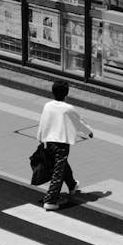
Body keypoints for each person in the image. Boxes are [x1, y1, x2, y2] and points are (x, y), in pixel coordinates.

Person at [37, 80, 93, 210]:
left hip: (49, 141)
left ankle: (72, 185)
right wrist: (89, 132)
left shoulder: (47, 105)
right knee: (59, 170)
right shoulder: (68, 108)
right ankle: (50, 200)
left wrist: (40, 137)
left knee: (61, 165)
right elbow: (78, 122)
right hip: (62, 143)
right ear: (66, 95)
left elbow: (43, 122)